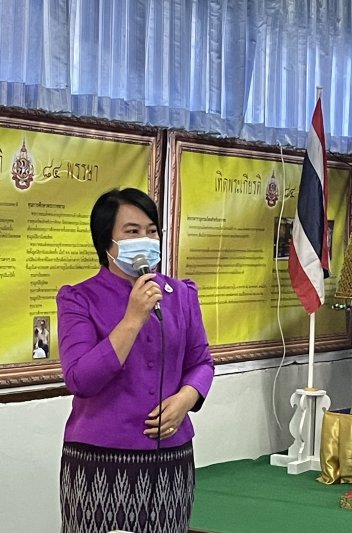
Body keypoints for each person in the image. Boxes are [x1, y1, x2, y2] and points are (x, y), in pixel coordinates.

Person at [56, 187, 214, 533]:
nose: (146, 239)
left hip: (170, 458)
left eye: (152, 231)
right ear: (106, 242)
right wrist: (132, 319)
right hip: (99, 461)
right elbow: (80, 379)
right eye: (132, 231)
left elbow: (202, 362)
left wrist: (186, 398)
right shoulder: (78, 299)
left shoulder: (181, 294)